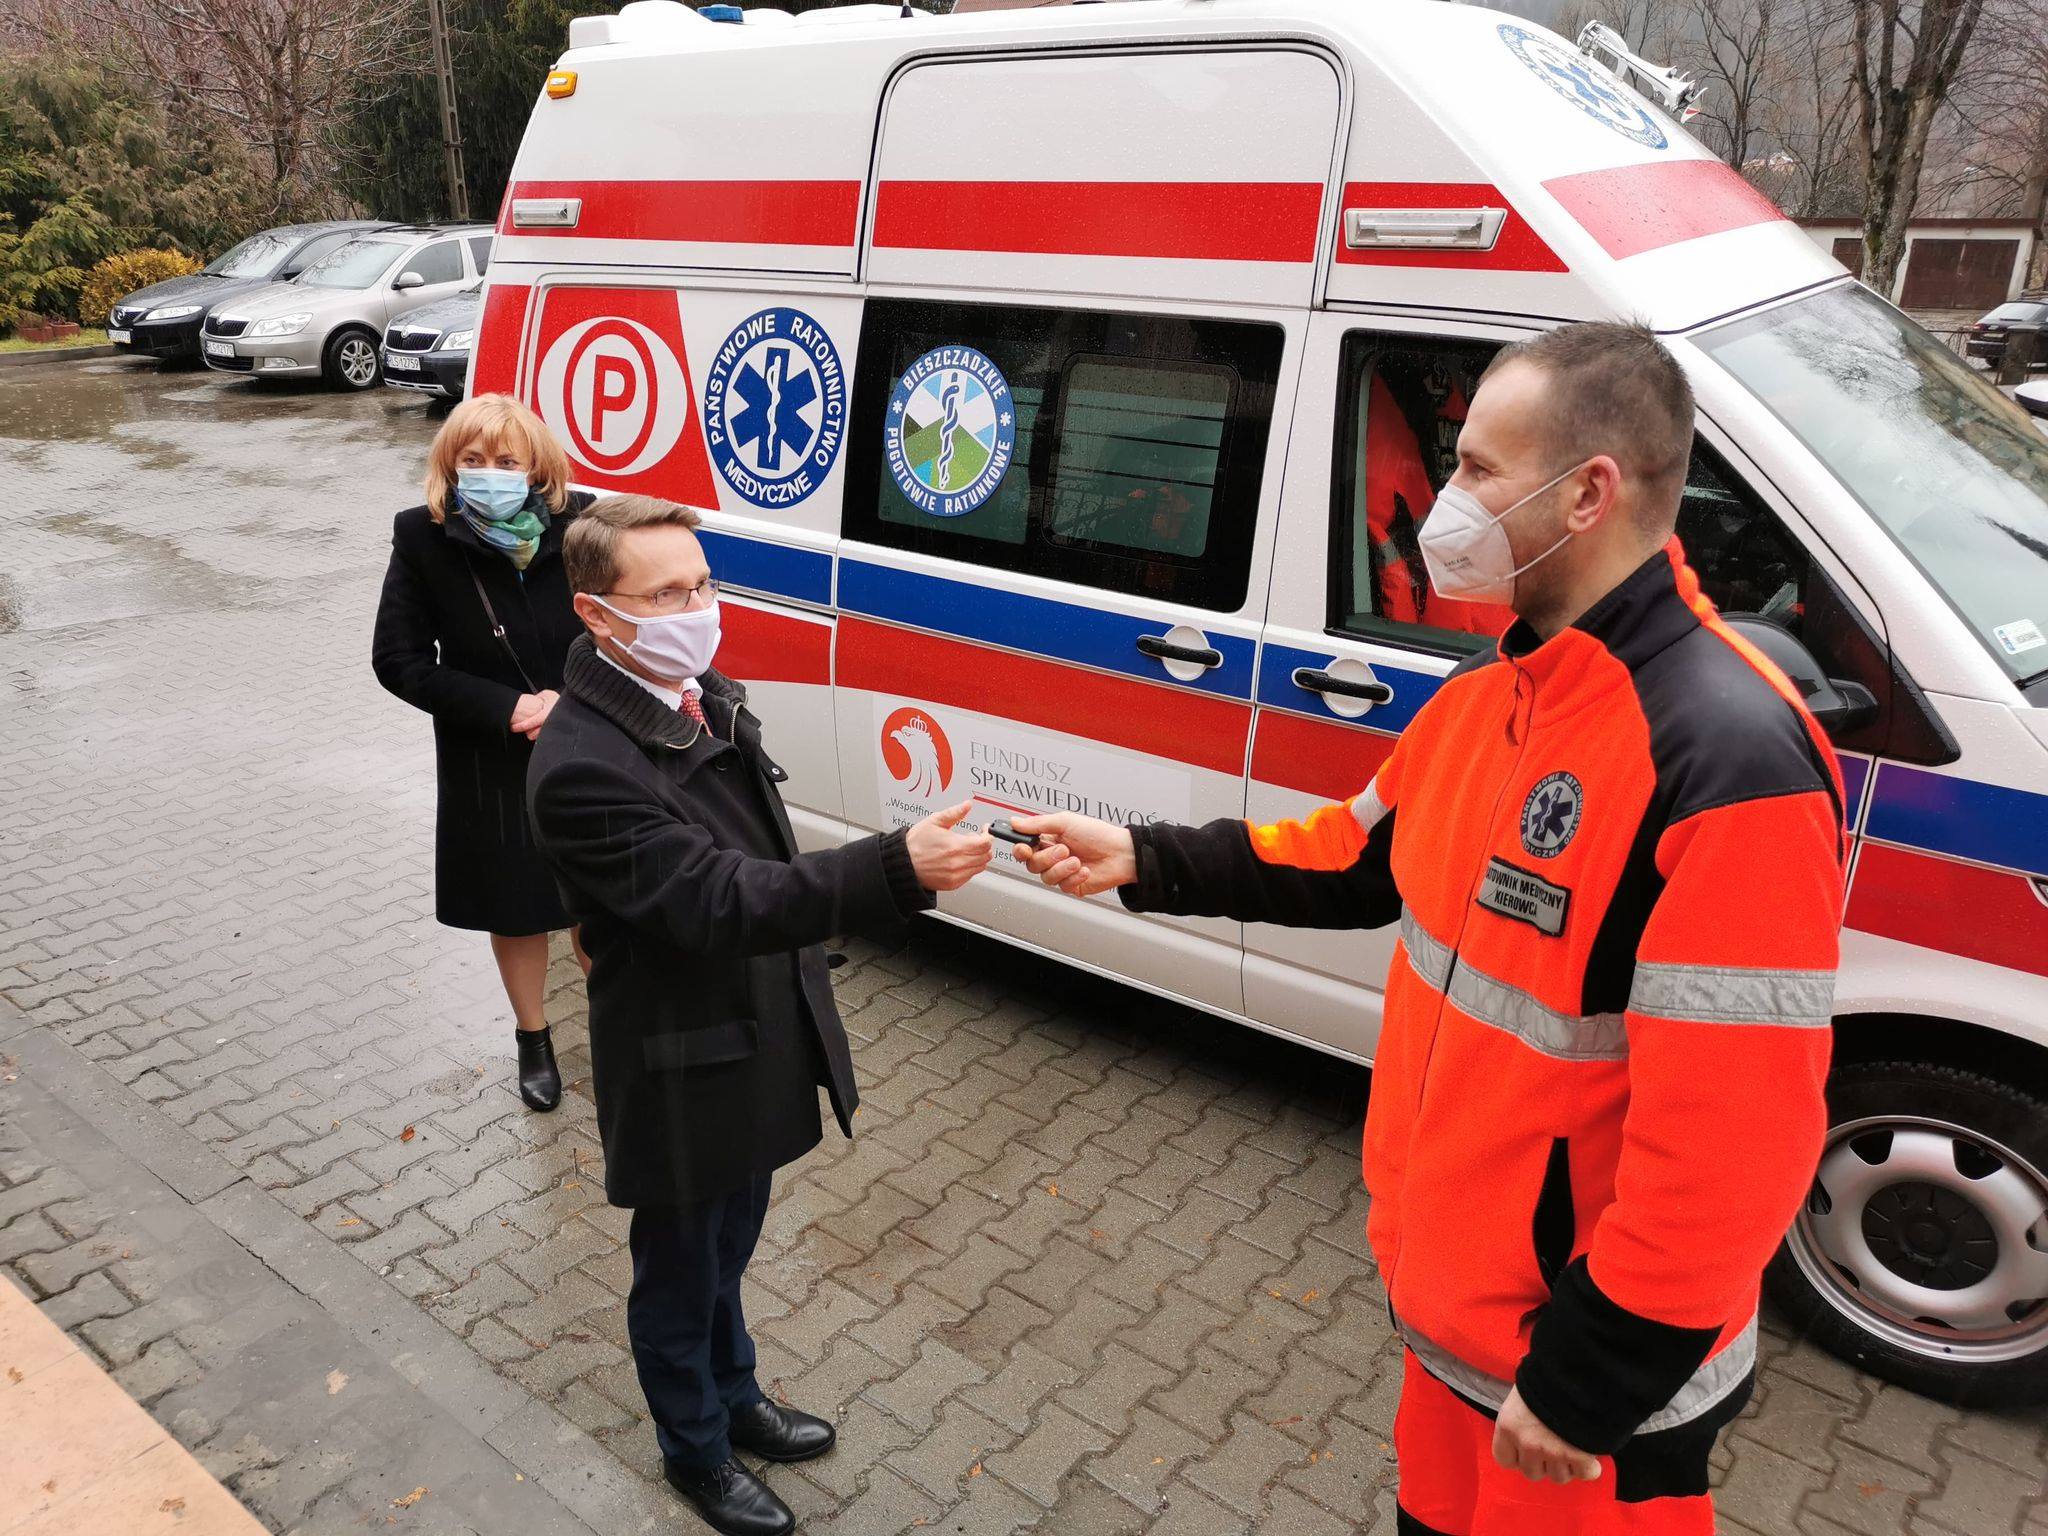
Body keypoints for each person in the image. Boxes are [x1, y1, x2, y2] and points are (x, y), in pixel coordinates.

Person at [1012, 323, 1845, 1536]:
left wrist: (1587, 1381)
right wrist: (1145, 857)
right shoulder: (1490, 698)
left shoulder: (1726, 755)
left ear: (1587, 494)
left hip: (1577, 1390)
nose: (1439, 500)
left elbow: (1736, 1143)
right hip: (1455, 1321)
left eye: (1476, 469)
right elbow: (1356, 856)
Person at [525, 494, 992, 1536]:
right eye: (669, 593)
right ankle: (694, 1449)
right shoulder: (582, 765)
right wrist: (892, 867)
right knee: (680, 1266)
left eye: (702, 583)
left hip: (750, 1026)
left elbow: (753, 857)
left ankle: (737, 1397)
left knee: (728, 1245)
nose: (699, 607)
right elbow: (717, 897)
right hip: (683, 1053)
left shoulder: (689, 693)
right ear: (598, 616)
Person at [372, 394, 593, 1113]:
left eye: (505, 461)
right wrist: (508, 708)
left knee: (604, 903)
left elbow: (626, 625)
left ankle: (622, 1031)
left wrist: (575, 698)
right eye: (472, 461)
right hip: (490, 758)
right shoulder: (423, 538)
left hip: (591, 746)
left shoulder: (585, 527)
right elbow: (399, 661)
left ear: (537, 469)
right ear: (450, 466)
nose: (489, 473)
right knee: (520, 909)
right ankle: (534, 1036)